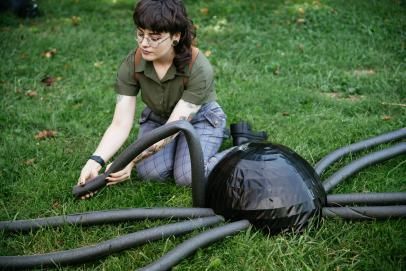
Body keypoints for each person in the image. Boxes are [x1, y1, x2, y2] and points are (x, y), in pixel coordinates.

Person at [77, 0, 266, 199]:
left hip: (200, 119)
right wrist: (95, 161)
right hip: (158, 119)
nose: (144, 43)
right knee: (152, 174)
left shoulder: (199, 67)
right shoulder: (132, 64)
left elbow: (174, 126)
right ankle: (188, 149)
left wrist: (130, 162)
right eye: (141, 34)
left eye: (155, 37)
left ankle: (244, 147)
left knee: (187, 176)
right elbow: (119, 124)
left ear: (176, 36)